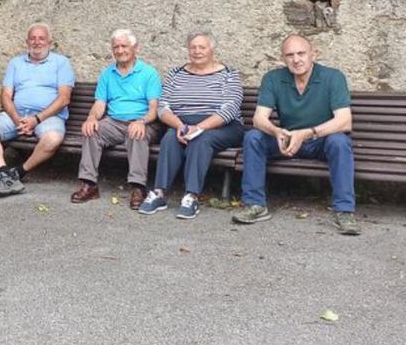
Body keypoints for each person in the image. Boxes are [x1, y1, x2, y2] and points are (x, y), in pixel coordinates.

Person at [233, 34, 359, 235]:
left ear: (313, 55)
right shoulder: (273, 78)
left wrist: (308, 133)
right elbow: (259, 119)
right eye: (290, 55)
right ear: (283, 59)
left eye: (301, 53)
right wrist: (276, 131)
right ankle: (255, 205)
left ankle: (344, 211)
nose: (296, 59)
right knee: (253, 137)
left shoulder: (333, 77)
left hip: (320, 140)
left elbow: (344, 121)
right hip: (287, 140)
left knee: (340, 141)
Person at [137, 33, 244, 220]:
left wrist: (199, 128)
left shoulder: (229, 74)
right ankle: (160, 192)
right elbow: (163, 107)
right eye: (193, 47)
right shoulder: (176, 74)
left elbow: (230, 108)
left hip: (221, 125)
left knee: (201, 139)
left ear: (212, 50)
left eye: (202, 47)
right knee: (170, 137)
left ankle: (191, 195)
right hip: (182, 123)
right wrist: (179, 125)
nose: (197, 51)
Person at [0, 23, 74, 198]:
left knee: (52, 139)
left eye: (41, 38)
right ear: (27, 42)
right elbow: (6, 96)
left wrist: (36, 119)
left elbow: (64, 98)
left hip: (48, 116)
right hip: (18, 115)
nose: (37, 42)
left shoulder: (61, 63)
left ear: (49, 42)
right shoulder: (15, 63)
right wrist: (17, 120)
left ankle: (19, 173)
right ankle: (3, 171)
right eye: (33, 38)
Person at [74, 29, 162, 208]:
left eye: (124, 46)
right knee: (92, 131)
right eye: (116, 47)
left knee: (136, 133)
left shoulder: (149, 73)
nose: (120, 50)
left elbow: (154, 109)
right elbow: (100, 104)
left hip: (144, 121)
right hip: (114, 122)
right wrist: (91, 118)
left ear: (135, 48)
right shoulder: (107, 74)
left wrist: (141, 121)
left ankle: (138, 187)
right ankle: (89, 185)